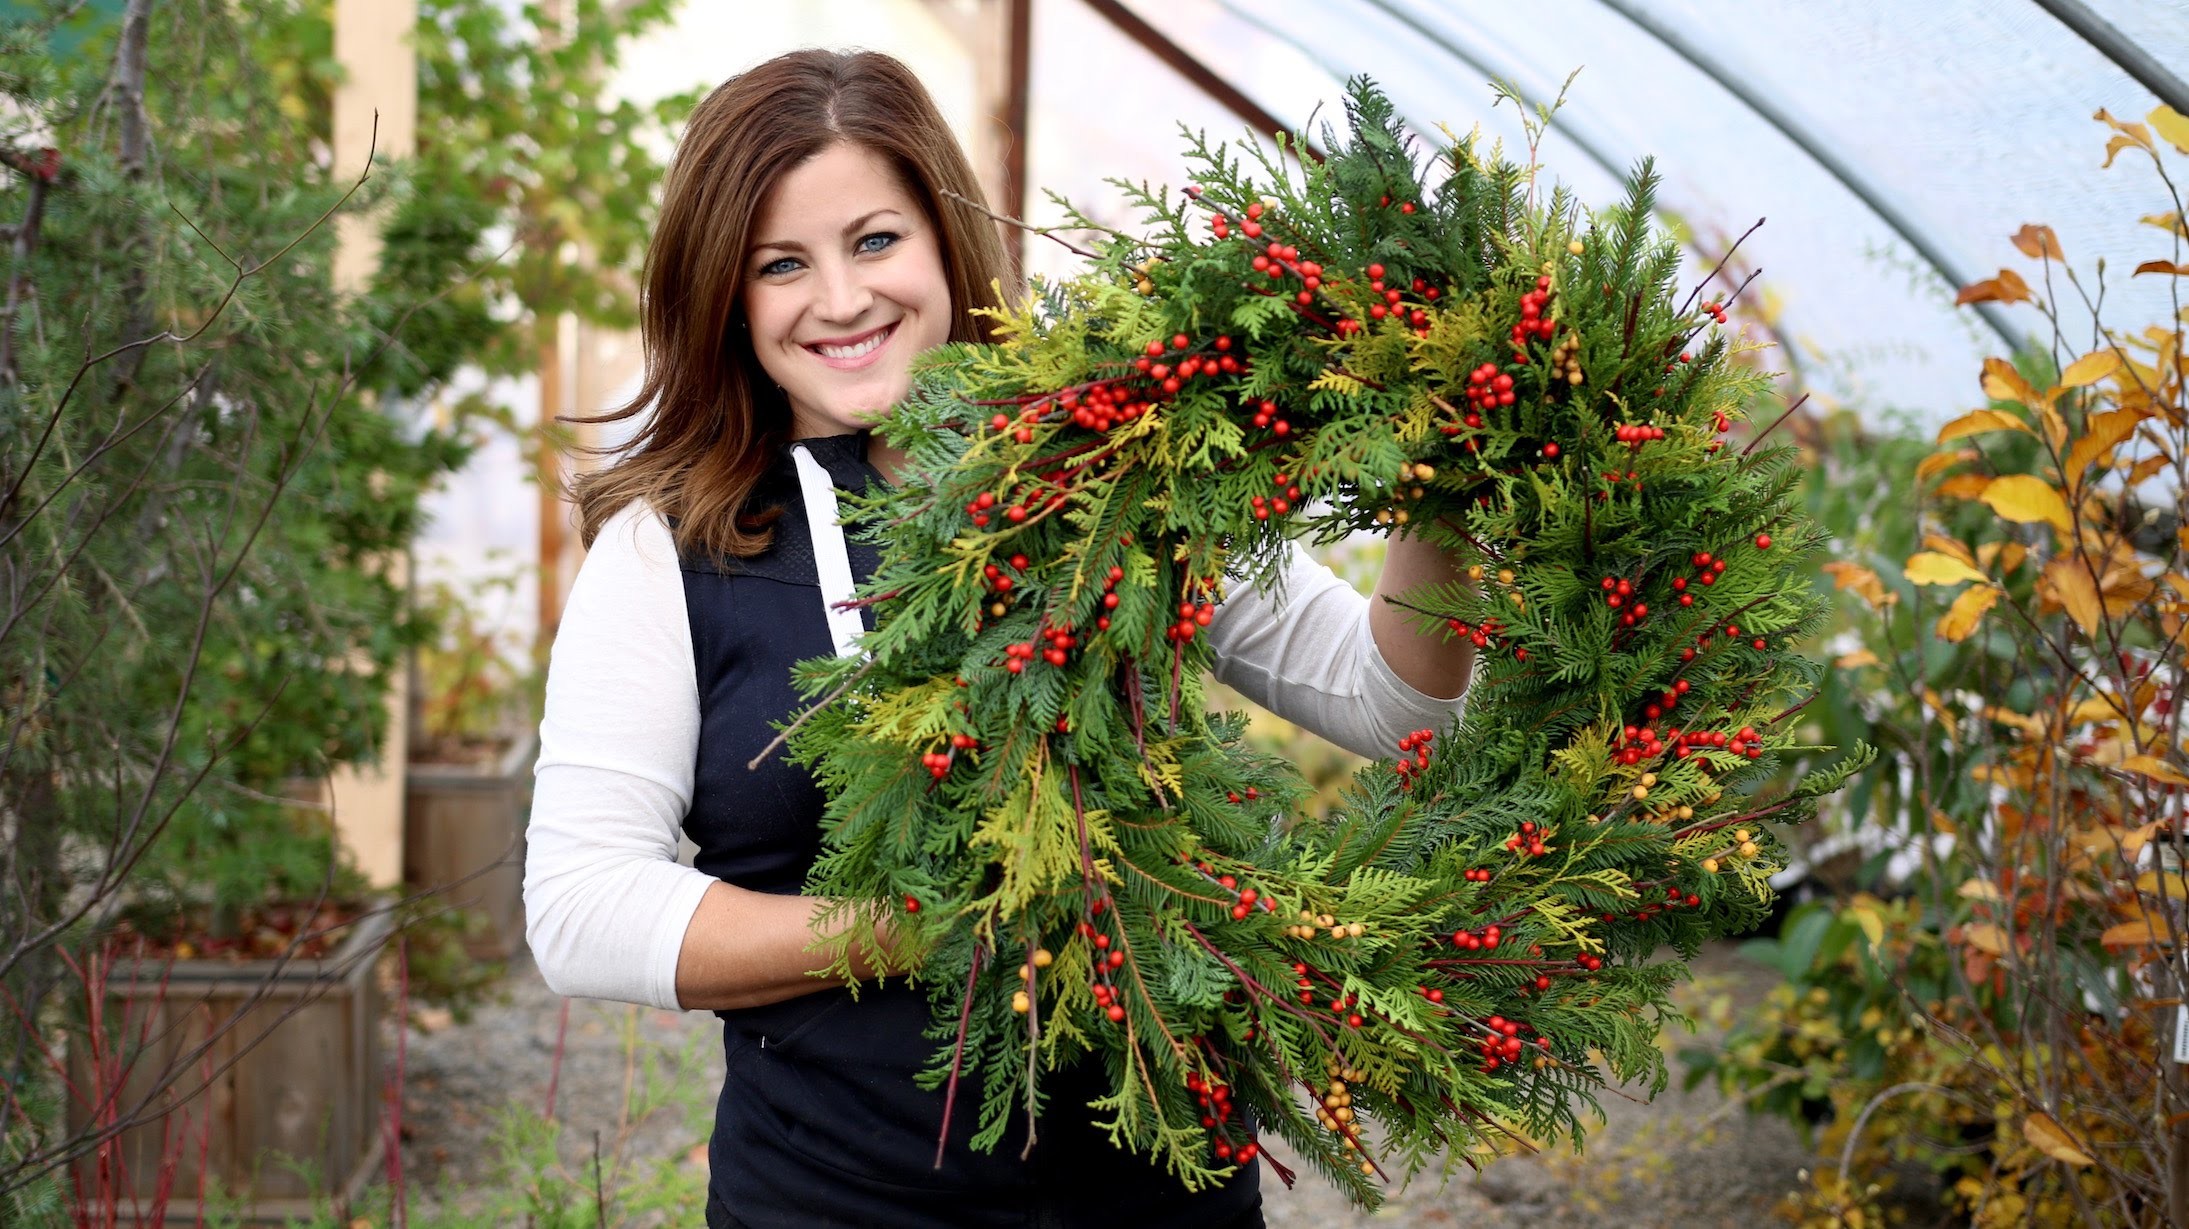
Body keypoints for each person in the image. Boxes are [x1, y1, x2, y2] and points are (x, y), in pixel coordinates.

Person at [521, 47, 1475, 1229]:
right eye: (781, 264)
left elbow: (1393, 700)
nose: (840, 298)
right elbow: (579, 906)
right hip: (831, 1204)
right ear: (722, 291)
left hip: (1162, 1196)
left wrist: (1453, 462)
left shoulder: (1104, 463)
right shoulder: (670, 547)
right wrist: (933, 919)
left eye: (874, 240)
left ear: (941, 238)